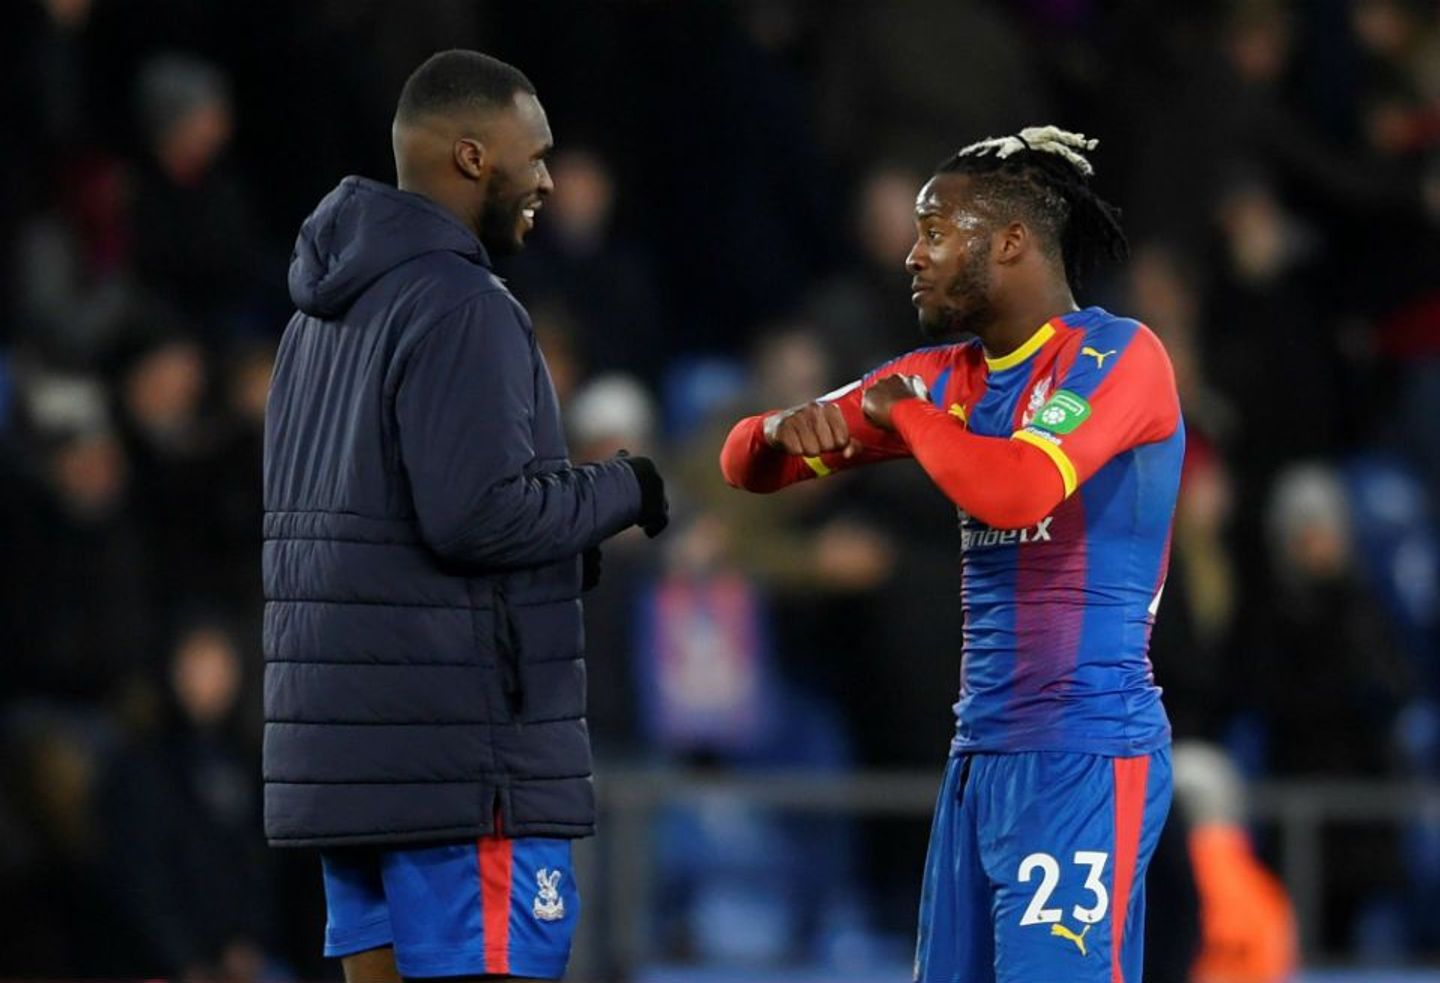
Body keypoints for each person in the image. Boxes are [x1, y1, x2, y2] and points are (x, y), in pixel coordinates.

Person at [721, 126, 1182, 982]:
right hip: (980, 757)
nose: (913, 254)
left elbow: (1018, 489)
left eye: (935, 230)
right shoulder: (941, 376)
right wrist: (783, 428)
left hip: (1083, 750)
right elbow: (744, 464)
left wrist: (909, 415)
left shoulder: (1120, 355)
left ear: (1009, 241)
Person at [263, 50, 669, 983]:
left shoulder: (314, 320)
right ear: (474, 156)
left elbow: (378, 525)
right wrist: (624, 488)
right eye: (537, 154)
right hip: (458, 769)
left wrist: (559, 552)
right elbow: (478, 516)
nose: (548, 181)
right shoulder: (460, 303)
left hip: (355, 764)